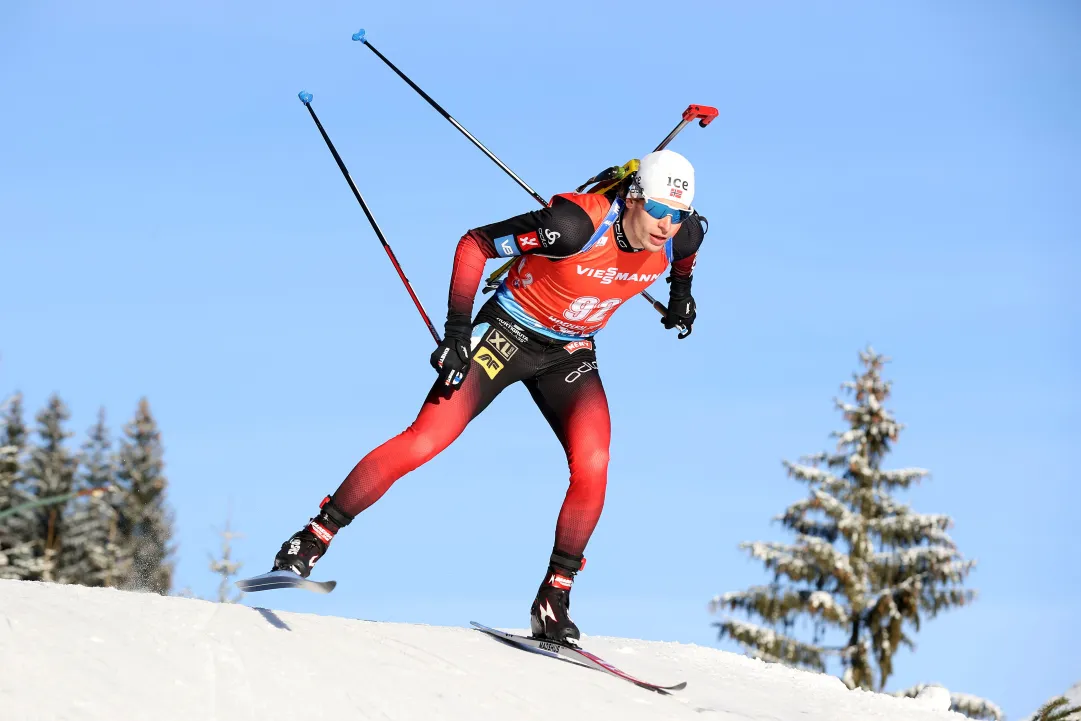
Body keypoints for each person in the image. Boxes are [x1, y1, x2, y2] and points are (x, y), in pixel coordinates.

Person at [272, 149, 706, 645]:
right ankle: (312, 538)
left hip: (569, 352)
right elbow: (475, 244)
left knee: (595, 462)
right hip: (506, 334)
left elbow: (688, 251)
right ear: (633, 197)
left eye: (678, 214)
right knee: (425, 441)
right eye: (657, 210)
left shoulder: (682, 235)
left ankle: (553, 598)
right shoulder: (572, 227)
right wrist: (457, 335)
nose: (666, 225)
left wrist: (680, 294)